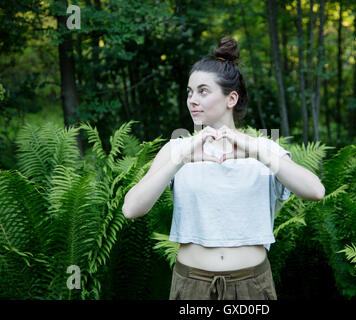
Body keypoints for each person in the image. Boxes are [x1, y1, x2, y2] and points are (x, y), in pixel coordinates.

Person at [122, 36, 325, 300]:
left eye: (203, 91)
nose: (192, 100)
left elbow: (315, 191)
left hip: (251, 285)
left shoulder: (263, 150)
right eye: (189, 92)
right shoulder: (177, 150)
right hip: (191, 285)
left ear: (231, 99)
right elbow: (131, 209)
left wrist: (256, 151)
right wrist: (180, 159)